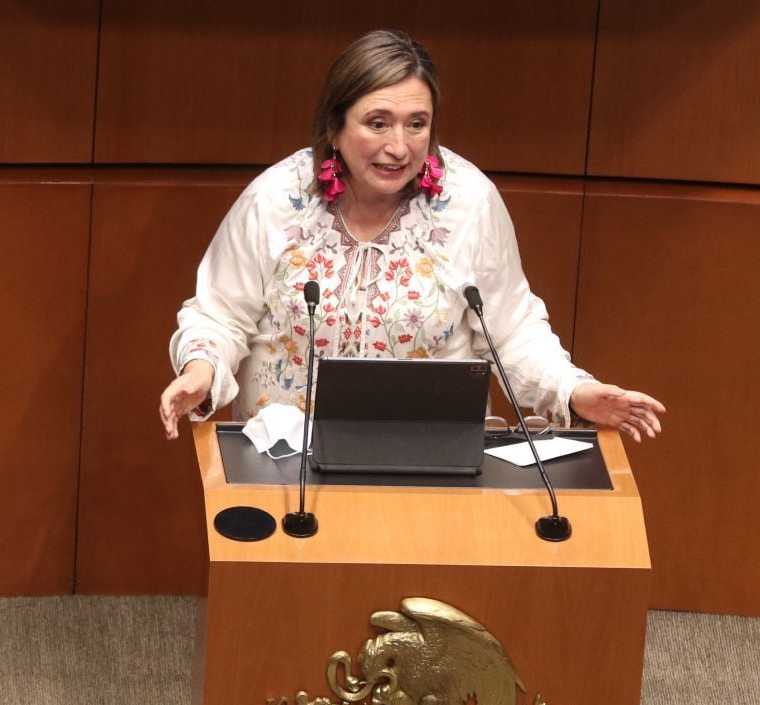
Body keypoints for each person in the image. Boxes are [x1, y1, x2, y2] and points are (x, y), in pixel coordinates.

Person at [159, 30, 664, 444]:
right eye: (377, 123)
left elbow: (511, 328)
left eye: (417, 124)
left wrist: (576, 390)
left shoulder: (469, 203)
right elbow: (219, 314)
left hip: (432, 457)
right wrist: (201, 370)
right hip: (287, 462)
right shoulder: (274, 200)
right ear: (334, 126)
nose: (398, 147)